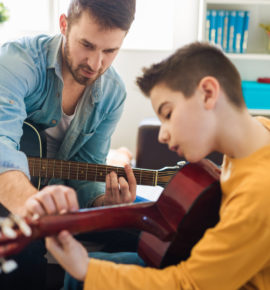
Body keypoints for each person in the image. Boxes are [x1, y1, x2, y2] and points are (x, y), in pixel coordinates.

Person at [28, 42, 270, 289]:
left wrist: (85, 269)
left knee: (83, 275)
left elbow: (188, 284)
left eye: (167, 114)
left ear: (208, 93)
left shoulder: (258, 193)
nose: (162, 136)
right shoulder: (258, 132)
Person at [0, 0, 136, 289]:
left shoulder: (113, 93)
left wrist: (103, 202)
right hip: (10, 193)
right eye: (86, 45)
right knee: (27, 244)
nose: (95, 64)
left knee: (143, 234)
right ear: (64, 25)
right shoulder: (16, 61)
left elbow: (87, 167)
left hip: (60, 201)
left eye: (110, 51)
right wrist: (37, 210)